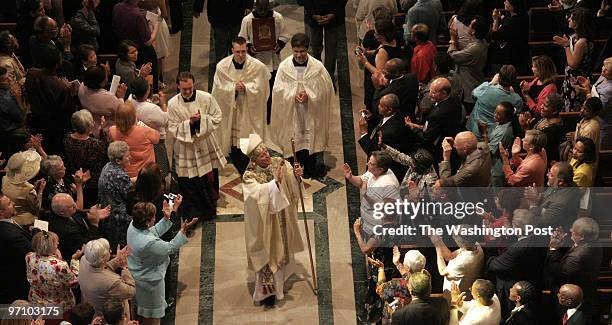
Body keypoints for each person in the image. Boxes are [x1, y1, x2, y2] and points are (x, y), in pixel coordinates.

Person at [240, 133, 305, 306]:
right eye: (262, 156)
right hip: (265, 222)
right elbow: (255, 196)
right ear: (254, 160)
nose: (268, 156)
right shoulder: (249, 176)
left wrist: (297, 176)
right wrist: (273, 183)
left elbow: (291, 180)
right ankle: (266, 293)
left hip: (282, 217)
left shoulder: (279, 162)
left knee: (282, 250)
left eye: (267, 152)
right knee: (268, 254)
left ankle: (279, 285)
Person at [269, 33, 334, 179]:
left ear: (307, 49)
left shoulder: (317, 67)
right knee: (294, 140)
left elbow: (326, 90)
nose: (299, 55)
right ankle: (293, 170)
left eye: (302, 51)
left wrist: (310, 95)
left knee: (310, 141)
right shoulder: (284, 67)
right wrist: (293, 95)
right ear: (292, 49)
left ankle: (310, 170)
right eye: (296, 51)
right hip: (292, 111)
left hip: (310, 111)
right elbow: (277, 90)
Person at [167, 71, 226, 220]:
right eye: (183, 89)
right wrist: (190, 123)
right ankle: (193, 213)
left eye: (190, 88)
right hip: (186, 148)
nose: (187, 92)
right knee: (189, 181)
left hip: (205, 143)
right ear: (178, 86)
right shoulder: (173, 103)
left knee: (208, 177)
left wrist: (201, 121)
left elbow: (217, 117)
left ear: (194, 85)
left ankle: (208, 209)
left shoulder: (206, 98)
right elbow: (173, 127)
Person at [127, 200, 197, 324]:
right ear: (147, 221)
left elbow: (152, 231)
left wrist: (166, 218)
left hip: (138, 274)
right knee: (151, 317)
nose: (155, 218)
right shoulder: (149, 242)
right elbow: (169, 247)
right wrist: (183, 231)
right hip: (149, 282)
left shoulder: (133, 225)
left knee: (143, 312)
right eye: (153, 216)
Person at [211, 36, 271, 176]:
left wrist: (247, 88)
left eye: (243, 51)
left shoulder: (257, 66)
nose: (240, 55)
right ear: (232, 50)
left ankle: (250, 168)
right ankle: (243, 169)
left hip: (249, 111)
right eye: (237, 52)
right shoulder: (222, 67)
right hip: (231, 110)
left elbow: (263, 88)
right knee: (233, 141)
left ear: (247, 49)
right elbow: (217, 91)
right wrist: (232, 89)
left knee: (249, 141)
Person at [486, 209, 548, 319]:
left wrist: (491, 241)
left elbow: (493, 265)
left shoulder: (517, 250)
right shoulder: (541, 237)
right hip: (532, 282)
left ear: (518, 228)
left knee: (511, 317)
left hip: (513, 288)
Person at [239, 0, 289, 124]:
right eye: (260, 10)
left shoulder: (277, 18)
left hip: (273, 62)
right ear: (255, 7)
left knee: (272, 91)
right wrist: (250, 48)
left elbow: (285, 35)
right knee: (255, 91)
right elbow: (242, 38)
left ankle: (270, 117)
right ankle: (256, 117)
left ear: (268, 7)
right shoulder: (248, 20)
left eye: (264, 9)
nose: (262, 13)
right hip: (255, 61)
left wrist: (279, 45)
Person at [547, 217, 602, 323]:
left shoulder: (576, 258)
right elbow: (574, 248)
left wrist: (553, 249)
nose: (570, 231)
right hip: (587, 293)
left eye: (573, 231)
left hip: (571, 299)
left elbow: (556, 272)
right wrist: (561, 244)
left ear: (581, 237)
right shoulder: (595, 243)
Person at [25, 48, 78, 156]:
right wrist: (69, 92)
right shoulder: (59, 87)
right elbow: (67, 111)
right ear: (58, 63)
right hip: (54, 124)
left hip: (36, 118)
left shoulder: (31, 73)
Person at [359, 94, 416, 181]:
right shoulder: (396, 114)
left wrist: (364, 132)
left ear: (389, 109)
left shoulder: (390, 133)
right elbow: (383, 121)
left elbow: (374, 153)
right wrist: (372, 117)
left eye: (381, 106)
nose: (378, 106)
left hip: (382, 170)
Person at [406, 77, 463, 164]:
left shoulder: (438, 114)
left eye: (433, 93)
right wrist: (419, 126)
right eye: (430, 91)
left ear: (444, 93)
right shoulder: (454, 98)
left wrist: (413, 128)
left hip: (438, 149)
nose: (429, 95)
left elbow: (426, 139)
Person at [343, 151, 400, 238]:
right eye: (369, 161)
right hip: (367, 221)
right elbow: (362, 182)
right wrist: (350, 177)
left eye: (371, 163)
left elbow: (388, 210)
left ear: (380, 169)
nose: (367, 164)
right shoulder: (372, 171)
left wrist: (365, 195)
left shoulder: (389, 185)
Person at [26, 231, 82, 316]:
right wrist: (74, 260)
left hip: (35, 301)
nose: (58, 243)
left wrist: (57, 258)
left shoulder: (29, 256)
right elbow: (74, 283)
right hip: (57, 307)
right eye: (56, 242)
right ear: (50, 246)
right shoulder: (59, 265)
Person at [79, 238, 135, 320]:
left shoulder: (84, 259)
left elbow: (101, 268)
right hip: (110, 317)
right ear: (103, 259)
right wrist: (125, 268)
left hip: (93, 308)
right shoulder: (112, 282)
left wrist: (117, 260)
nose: (111, 251)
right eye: (109, 251)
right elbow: (131, 291)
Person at [64, 109, 109, 207]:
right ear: (89, 127)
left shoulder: (67, 138)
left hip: (74, 177)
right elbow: (105, 154)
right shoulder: (96, 145)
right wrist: (102, 130)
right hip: (91, 184)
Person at [555, 7, 596, 111]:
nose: (568, 19)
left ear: (578, 22)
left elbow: (573, 64)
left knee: (574, 109)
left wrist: (566, 46)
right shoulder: (575, 37)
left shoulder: (581, 42)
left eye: (572, 18)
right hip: (571, 79)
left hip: (578, 81)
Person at [193, 0, 252, 72]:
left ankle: (237, 67)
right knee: (221, 45)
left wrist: (248, 6)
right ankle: (222, 69)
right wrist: (197, 7)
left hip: (236, 12)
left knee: (236, 43)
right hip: (218, 13)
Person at [112, 0, 159, 92]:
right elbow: (148, 41)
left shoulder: (117, 7)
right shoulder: (138, 15)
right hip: (142, 52)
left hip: (125, 48)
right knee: (145, 83)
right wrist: (156, 26)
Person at [127, 77, 169, 177]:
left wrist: (150, 100)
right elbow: (165, 120)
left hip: (139, 138)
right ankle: (160, 184)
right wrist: (163, 103)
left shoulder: (130, 99)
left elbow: (142, 103)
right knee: (159, 169)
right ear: (147, 91)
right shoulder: (151, 109)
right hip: (155, 141)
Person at [468, 65, 523, 138]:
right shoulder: (516, 99)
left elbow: (473, 94)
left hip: (476, 132)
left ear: (499, 77)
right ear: (514, 80)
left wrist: (491, 82)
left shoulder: (485, 89)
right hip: (498, 136)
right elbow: (516, 115)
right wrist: (513, 93)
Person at [49, 193, 109, 260]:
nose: (76, 206)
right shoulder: (65, 231)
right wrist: (94, 224)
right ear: (62, 212)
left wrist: (92, 215)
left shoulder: (66, 211)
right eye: (72, 206)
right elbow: (86, 247)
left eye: (74, 202)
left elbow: (79, 215)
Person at [448, 16, 489, 111]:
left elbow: (453, 56)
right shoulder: (480, 42)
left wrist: (453, 39)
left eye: (470, 25)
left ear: (474, 31)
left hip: (469, 88)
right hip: (471, 83)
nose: (468, 26)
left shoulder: (476, 48)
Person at [109, 103, 161, 178]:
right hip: (144, 173)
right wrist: (143, 126)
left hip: (123, 173)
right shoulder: (145, 131)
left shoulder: (112, 130)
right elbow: (157, 138)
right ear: (133, 116)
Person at [525, 162, 581, 229]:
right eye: (549, 172)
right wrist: (537, 196)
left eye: (551, 175)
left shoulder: (561, 202)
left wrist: (533, 203)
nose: (547, 175)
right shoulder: (559, 184)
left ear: (561, 182)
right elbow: (548, 195)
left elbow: (541, 225)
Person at [98, 141, 133, 248]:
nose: (130, 157)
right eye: (127, 156)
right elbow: (130, 198)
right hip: (118, 220)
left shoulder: (108, 166)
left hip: (107, 216)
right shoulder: (120, 175)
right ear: (118, 160)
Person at [430, 229, 484, 297]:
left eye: (455, 238)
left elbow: (442, 271)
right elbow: (449, 256)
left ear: (463, 244)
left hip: (456, 297)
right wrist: (438, 241)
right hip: (466, 289)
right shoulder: (476, 246)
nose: (454, 239)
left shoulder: (463, 262)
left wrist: (437, 246)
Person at [0, 194, 32, 304]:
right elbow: (31, 249)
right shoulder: (9, 234)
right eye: (9, 203)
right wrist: (37, 233)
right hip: (16, 284)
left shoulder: (8, 224)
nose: (13, 203)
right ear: (1, 212)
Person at [1, 150, 45, 227]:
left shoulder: (5, 179)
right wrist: (40, 190)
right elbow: (36, 208)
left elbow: (18, 195)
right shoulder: (28, 188)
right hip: (21, 218)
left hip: (7, 212)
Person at [304, 0, 346, 80]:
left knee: (331, 51)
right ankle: (316, 73)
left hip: (334, 18)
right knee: (315, 48)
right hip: (314, 15)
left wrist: (334, 13)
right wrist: (312, 14)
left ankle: (329, 78)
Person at [519, 93, 566, 163]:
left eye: (545, 106)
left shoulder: (555, 130)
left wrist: (525, 127)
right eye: (542, 104)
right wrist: (528, 123)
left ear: (554, 111)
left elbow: (534, 147)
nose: (541, 107)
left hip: (541, 161)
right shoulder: (545, 117)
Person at [479, 102, 515, 187]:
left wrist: (484, 133)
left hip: (497, 170)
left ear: (507, 117)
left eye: (499, 114)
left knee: (496, 196)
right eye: (495, 112)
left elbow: (488, 151)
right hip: (492, 166)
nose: (494, 115)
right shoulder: (501, 123)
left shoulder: (503, 132)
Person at [489, 0, 530, 73]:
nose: (504, 3)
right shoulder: (522, 16)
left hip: (511, 59)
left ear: (513, 5)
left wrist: (495, 20)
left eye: (507, 2)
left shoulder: (513, 22)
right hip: (518, 56)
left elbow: (495, 36)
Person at [0, 66, 27, 159]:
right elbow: (23, 117)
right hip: (11, 133)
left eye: (9, 76)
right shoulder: (6, 99)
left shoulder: (6, 91)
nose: (10, 79)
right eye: (4, 79)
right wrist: (18, 99)